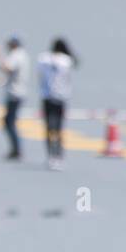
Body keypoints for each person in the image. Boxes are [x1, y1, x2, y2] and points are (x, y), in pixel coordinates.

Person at [37, 38, 76, 170]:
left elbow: (40, 73)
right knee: (58, 129)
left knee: (49, 128)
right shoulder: (66, 60)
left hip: (47, 97)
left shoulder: (44, 58)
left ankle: (50, 156)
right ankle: (58, 156)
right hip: (61, 97)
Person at [0, 36, 30, 160]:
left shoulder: (16, 55)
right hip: (18, 91)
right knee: (10, 122)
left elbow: (7, 68)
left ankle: (17, 149)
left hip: (15, 93)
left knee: (9, 122)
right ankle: (16, 149)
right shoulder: (22, 55)